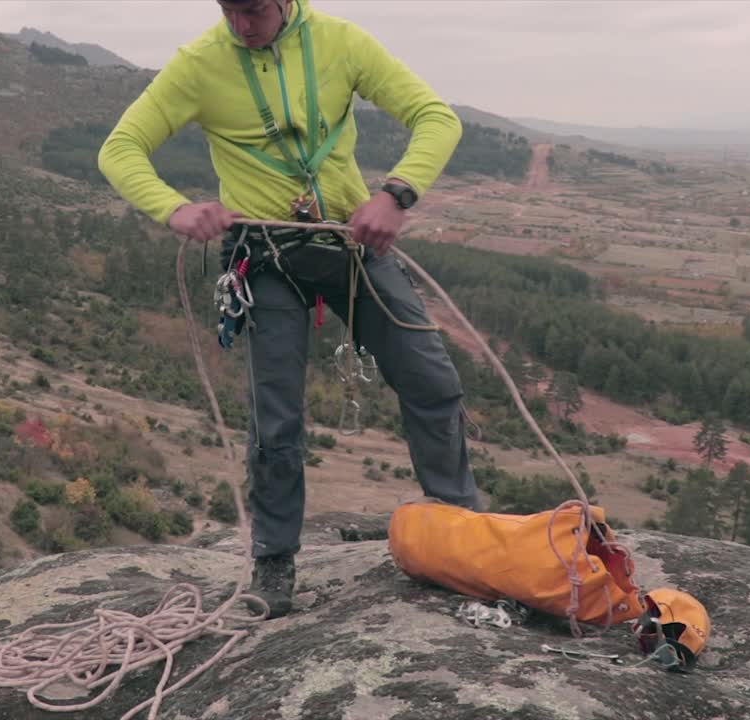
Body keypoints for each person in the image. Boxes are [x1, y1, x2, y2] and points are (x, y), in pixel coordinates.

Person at [98, 0, 480, 618]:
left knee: (431, 381)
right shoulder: (199, 64)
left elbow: (436, 118)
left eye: (253, 10)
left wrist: (395, 195)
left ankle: (462, 532)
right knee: (275, 418)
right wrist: (174, 208)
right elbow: (120, 149)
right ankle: (274, 561)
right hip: (264, 257)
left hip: (350, 245)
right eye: (228, 10)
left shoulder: (340, 42)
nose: (240, 26)